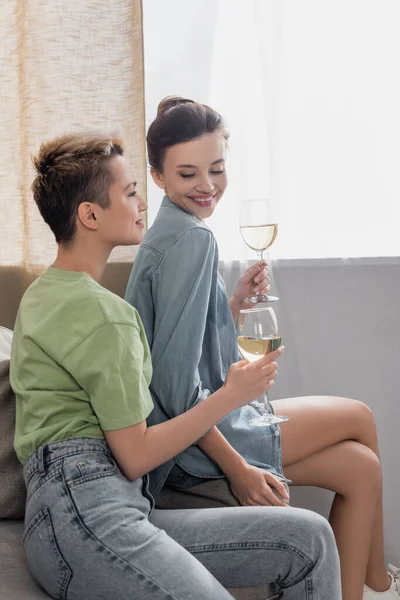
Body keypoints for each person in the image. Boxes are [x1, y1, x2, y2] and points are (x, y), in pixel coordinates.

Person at [9, 132, 341, 600]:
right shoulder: (106, 315)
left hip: (87, 508)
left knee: (309, 539)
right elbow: (137, 454)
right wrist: (230, 396)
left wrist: (229, 308)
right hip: (86, 508)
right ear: (89, 214)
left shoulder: (41, 295)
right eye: (128, 192)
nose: (142, 202)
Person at [125, 97, 400, 600]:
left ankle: (373, 585)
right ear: (158, 176)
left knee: (361, 467)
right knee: (359, 416)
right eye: (188, 174)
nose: (207, 186)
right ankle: (378, 584)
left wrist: (232, 303)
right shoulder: (192, 241)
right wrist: (240, 470)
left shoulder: (171, 233)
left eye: (217, 168)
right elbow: (174, 388)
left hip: (197, 427)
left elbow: (180, 349)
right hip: (194, 444)